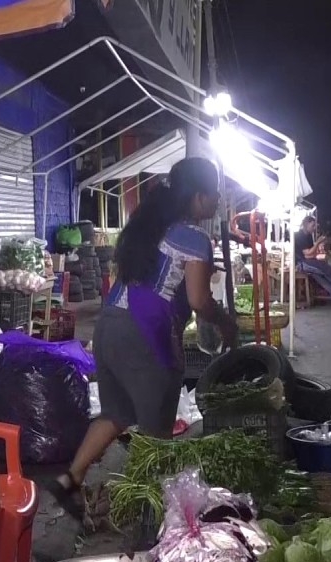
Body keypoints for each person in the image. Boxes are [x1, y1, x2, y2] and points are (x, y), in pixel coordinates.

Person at [54, 158, 237, 516]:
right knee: (156, 437)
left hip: (108, 326)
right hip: (145, 334)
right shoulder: (195, 238)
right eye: (214, 194)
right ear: (199, 197)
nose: (217, 201)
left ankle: (69, 480)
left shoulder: (150, 225)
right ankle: (143, 519)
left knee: (116, 413)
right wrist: (226, 323)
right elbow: (200, 300)